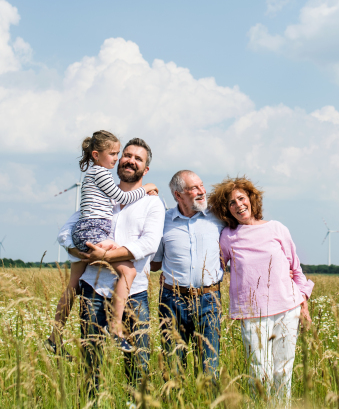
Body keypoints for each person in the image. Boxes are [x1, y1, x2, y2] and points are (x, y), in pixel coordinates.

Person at [57, 138, 165, 392]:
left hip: (134, 292)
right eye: (126, 155)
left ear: (145, 170)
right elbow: (65, 231)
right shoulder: (101, 195)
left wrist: (106, 257)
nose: (130, 160)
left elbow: (149, 244)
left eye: (138, 158)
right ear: (118, 160)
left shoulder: (152, 203)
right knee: (91, 365)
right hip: (93, 290)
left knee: (138, 366)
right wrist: (78, 252)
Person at [208, 176, 313, 403]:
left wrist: (303, 304)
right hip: (252, 313)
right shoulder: (228, 237)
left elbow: (296, 270)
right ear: (226, 210)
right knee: (259, 371)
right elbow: (216, 268)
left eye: (241, 198)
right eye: (231, 203)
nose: (238, 205)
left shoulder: (277, 228)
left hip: (287, 308)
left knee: (283, 370)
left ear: (252, 200)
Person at [150, 170, 223, 379]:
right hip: (172, 300)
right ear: (178, 195)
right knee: (173, 369)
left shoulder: (218, 218)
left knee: (209, 368)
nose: (202, 191)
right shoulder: (162, 221)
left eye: (201, 185)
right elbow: (155, 263)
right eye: (194, 188)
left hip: (209, 300)